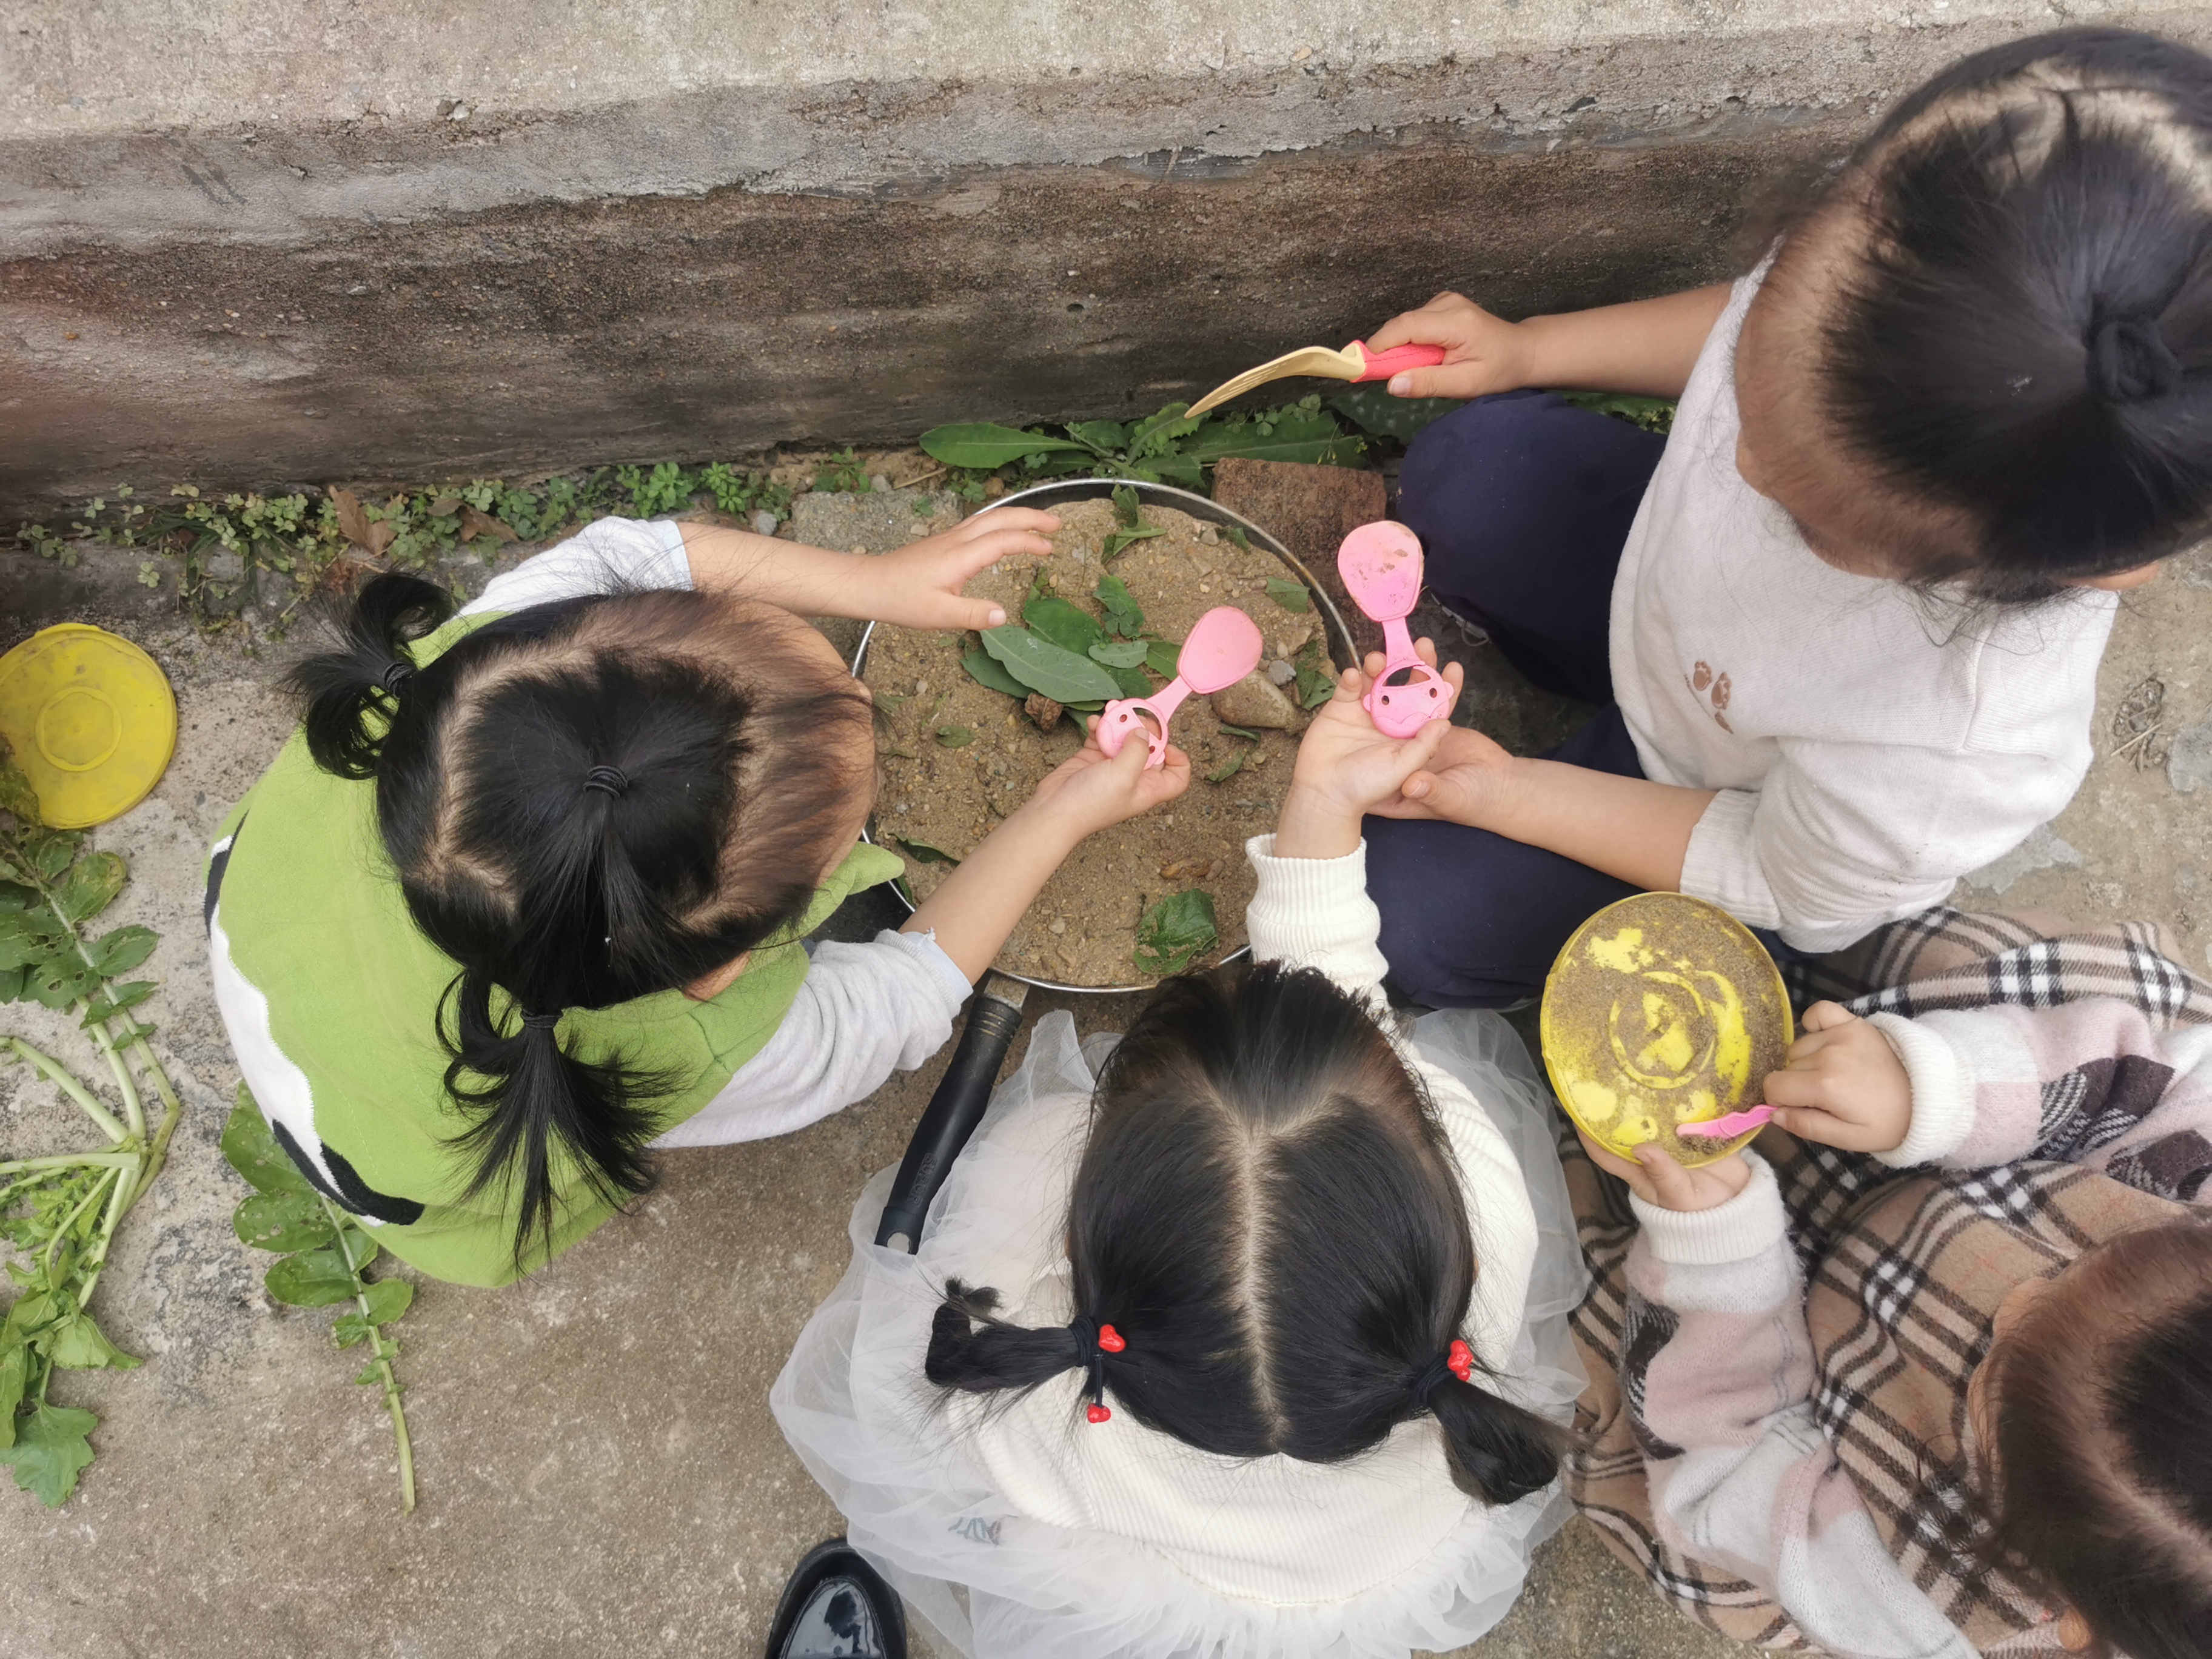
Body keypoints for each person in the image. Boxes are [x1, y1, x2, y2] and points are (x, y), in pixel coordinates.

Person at [1355, 27, 2212, 1007]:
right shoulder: (1910, 244)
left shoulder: (1947, 759)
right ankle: (1586, 670)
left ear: (2071, 568)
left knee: (1399, 922)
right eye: (1750, 383)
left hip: (1715, 805)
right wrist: (1530, 349)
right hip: (1665, 605)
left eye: (1812, 518)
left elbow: (1769, 869)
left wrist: (1510, 794)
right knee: (1469, 471)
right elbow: (1746, 317)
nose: (1742, 460)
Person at [771, 648, 1595, 1659]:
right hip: (1360, 1559)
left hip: (1130, 1564)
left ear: (1079, 1237)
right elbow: (1344, 1019)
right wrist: (1323, 803)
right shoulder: (1481, 1199)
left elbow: (967, 1367)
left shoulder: (1038, 1418)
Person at [205, 510, 1188, 1287]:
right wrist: (1056, 815)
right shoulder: (700, 1044)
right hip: (398, 1164)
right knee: (524, 1155)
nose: (863, 704)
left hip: (270, 923)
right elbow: (891, 1006)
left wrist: (874, 581)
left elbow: (634, 550)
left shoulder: (493, 669)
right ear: (719, 974)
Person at [1565, 910, 2212, 1658]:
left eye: (2006, 1365)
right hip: (1978, 1165)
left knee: (1590, 1325)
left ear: (2074, 1624)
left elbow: (1722, 1460)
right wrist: (1932, 1092)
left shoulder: (1912, 1604)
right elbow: (2143, 1084)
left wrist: (1718, 1248)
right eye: (2089, 1262)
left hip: (1786, 1374)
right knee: (2015, 998)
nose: (2018, 1296)